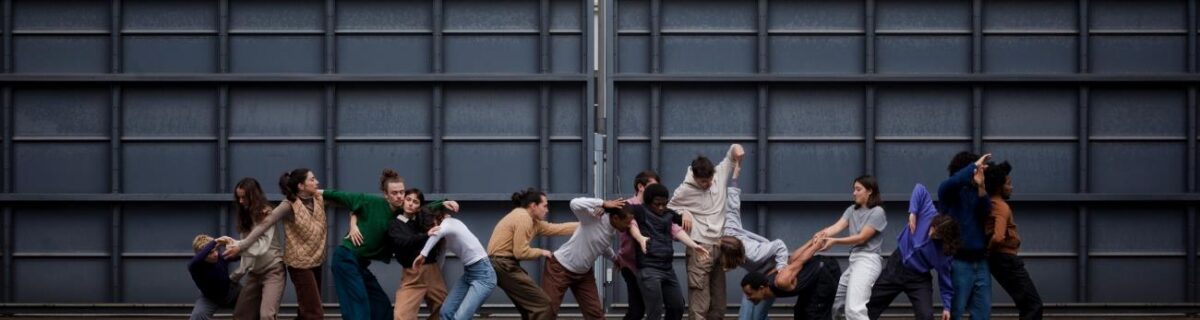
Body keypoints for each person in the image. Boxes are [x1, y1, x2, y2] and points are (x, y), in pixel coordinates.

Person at [226, 168, 329, 320]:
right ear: (301, 185)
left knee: (300, 311)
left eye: (244, 198)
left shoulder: (319, 197)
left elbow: (345, 200)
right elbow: (260, 230)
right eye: (312, 179)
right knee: (313, 312)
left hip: (300, 264)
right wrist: (239, 260)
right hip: (286, 266)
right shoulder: (288, 205)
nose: (317, 182)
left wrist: (355, 218)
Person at [667, 144, 744, 320]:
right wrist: (683, 212)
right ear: (695, 177)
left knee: (719, 303)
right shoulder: (684, 190)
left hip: (720, 245)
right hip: (699, 247)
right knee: (700, 302)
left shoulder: (719, 174)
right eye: (703, 182)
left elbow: (732, 152)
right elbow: (669, 208)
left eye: (710, 180)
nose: (708, 184)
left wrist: (738, 150)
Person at [866, 184, 960, 320]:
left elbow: (945, 280)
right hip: (896, 266)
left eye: (936, 235)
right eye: (932, 228)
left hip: (918, 278)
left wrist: (946, 307)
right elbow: (919, 188)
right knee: (871, 304)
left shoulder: (944, 254)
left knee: (926, 316)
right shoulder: (929, 213)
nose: (930, 233)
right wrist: (913, 212)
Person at [486, 188, 578, 320]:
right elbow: (520, 252)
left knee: (529, 308)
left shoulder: (532, 221)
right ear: (533, 206)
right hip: (503, 265)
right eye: (545, 206)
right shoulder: (523, 218)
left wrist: (585, 225)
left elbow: (557, 228)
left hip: (502, 265)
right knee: (543, 304)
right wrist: (542, 252)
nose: (547, 210)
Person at [541, 197, 629, 319]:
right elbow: (574, 203)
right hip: (559, 268)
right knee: (547, 313)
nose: (630, 226)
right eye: (627, 222)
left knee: (595, 314)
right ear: (616, 218)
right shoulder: (593, 218)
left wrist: (615, 259)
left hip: (583, 274)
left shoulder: (611, 230)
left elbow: (602, 245)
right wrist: (603, 203)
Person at [814, 175, 887, 320]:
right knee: (833, 303)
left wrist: (834, 241)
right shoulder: (852, 210)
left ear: (870, 191)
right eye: (854, 189)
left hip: (868, 262)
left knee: (854, 310)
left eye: (858, 189)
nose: (854, 193)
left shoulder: (877, 212)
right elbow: (837, 226)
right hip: (855, 261)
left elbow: (861, 238)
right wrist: (822, 234)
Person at [635, 183, 710, 320]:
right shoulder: (640, 211)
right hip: (649, 268)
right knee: (655, 311)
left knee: (677, 306)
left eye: (664, 204)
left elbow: (681, 224)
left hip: (667, 268)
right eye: (657, 204)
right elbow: (621, 210)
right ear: (648, 202)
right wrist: (603, 206)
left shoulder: (668, 214)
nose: (661, 208)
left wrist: (694, 244)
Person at [414, 203, 495, 320]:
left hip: (484, 276)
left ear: (437, 218)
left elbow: (438, 233)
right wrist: (436, 274)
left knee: (460, 318)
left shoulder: (449, 223)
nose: (432, 229)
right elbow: (441, 256)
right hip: (469, 273)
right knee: (445, 312)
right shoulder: (446, 233)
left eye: (432, 225)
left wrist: (422, 254)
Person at [984, 161, 1043, 320]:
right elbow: (998, 237)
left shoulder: (990, 203)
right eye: (1008, 184)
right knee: (1033, 305)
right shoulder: (1001, 207)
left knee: (1028, 304)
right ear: (998, 186)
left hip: (1003, 260)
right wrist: (988, 251)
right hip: (1006, 259)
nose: (1012, 187)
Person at [939, 152, 993, 320]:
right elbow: (953, 181)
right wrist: (975, 165)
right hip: (959, 262)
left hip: (981, 262)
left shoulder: (977, 192)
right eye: (975, 169)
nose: (978, 172)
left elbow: (986, 211)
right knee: (955, 312)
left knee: (982, 313)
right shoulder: (949, 191)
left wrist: (982, 186)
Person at [740, 237, 841, 320]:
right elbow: (792, 259)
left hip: (825, 272)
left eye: (750, 294)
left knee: (814, 314)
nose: (748, 298)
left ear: (761, 288)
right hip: (811, 282)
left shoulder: (781, 281)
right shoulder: (769, 280)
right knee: (800, 313)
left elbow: (799, 261)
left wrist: (816, 246)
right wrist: (811, 240)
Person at [388, 188, 450, 320]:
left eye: (415, 202)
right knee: (401, 315)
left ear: (419, 207)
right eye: (408, 199)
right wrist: (425, 235)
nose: (411, 204)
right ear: (403, 201)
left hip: (432, 272)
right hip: (412, 275)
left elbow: (430, 207)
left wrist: (444, 203)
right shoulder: (395, 224)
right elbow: (403, 242)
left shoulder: (422, 218)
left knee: (444, 309)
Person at [229, 178, 285, 320]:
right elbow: (247, 252)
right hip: (254, 273)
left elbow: (262, 247)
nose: (241, 201)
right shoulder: (245, 216)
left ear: (253, 196)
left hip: (273, 270)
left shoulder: (267, 214)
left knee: (267, 316)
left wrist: (237, 247)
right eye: (238, 197)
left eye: (244, 197)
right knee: (240, 315)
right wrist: (236, 276)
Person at [188, 234, 240, 320]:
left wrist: (236, 245)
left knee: (252, 306)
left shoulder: (220, 258)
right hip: (210, 298)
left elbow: (240, 255)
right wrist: (216, 241)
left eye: (216, 250)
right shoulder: (195, 266)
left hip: (231, 292)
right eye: (210, 252)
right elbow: (197, 259)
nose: (215, 254)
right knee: (197, 317)